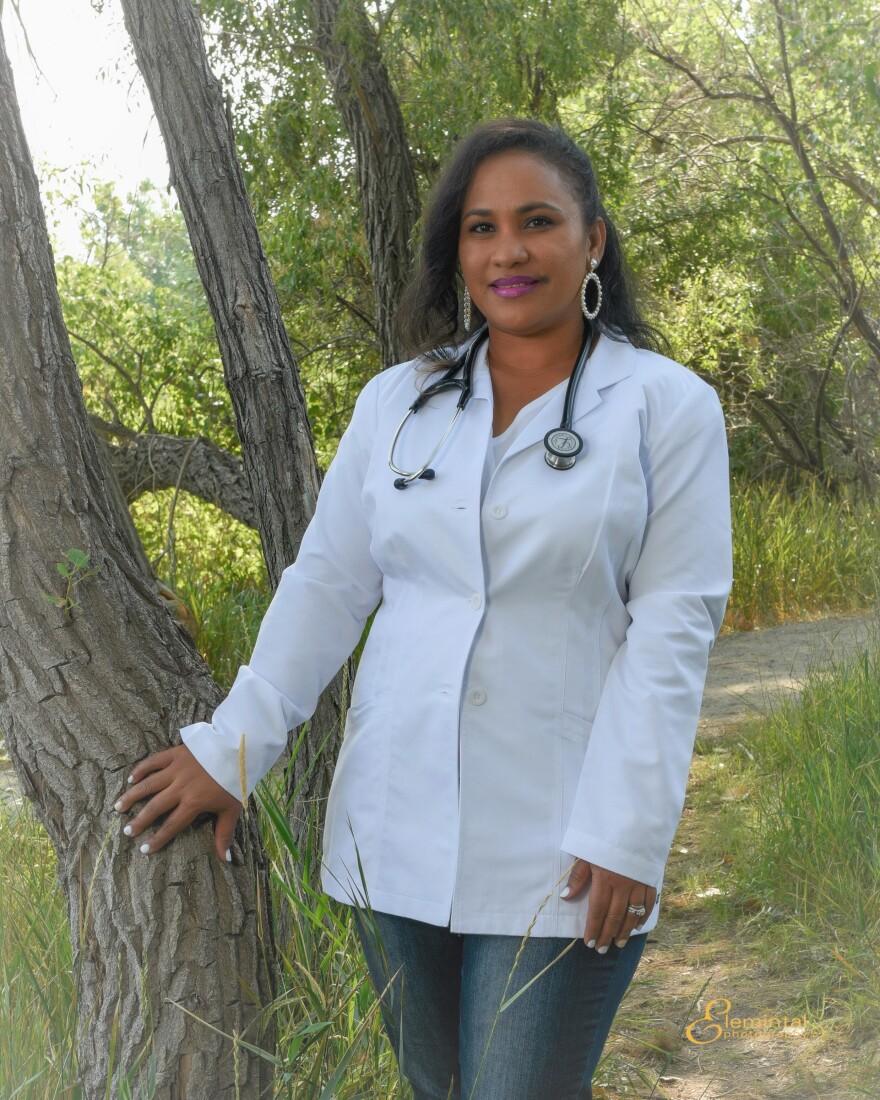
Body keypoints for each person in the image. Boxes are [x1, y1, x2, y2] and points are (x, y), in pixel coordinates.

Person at [115, 118, 732, 1099]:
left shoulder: (667, 407)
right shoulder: (397, 402)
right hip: (391, 834)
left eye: (537, 221)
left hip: (564, 845)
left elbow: (673, 628)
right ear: (457, 249)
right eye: (480, 227)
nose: (508, 250)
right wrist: (232, 749)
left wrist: (627, 829)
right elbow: (326, 586)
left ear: (594, 240)